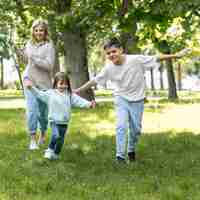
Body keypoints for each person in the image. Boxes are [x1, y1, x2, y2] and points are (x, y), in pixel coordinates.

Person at [74, 37, 190, 163]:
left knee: (136, 130)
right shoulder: (108, 68)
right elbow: (95, 80)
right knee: (121, 126)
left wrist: (176, 55)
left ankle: (131, 149)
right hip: (121, 98)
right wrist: (78, 90)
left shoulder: (135, 60)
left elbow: (156, 57)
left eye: (114, 51)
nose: (111, 55)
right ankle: (120, 156)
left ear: (121, 50)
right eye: (108, 53)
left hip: (138, 99)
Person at [24, 72, 96, 160]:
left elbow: (79, 101)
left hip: (64, 122)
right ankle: (49, 150)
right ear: (56, 84)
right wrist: (31, 88)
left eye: (66, 84)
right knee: (56, 136)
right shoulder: (50, 94)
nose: (63, 86)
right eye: (61, 83)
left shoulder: (69, 95)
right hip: (54, 120)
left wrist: (89, 104)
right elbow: (39, 94)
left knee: (61, 141)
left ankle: (56, 154)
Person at [22, 19, 55, 150]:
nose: (38, 32)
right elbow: (27, 61)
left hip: (44, 84)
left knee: (42, 113)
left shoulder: (49, 45)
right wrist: (22, 54)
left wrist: (34, 58)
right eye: (36, 30)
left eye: (41, 30)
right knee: (31, 111)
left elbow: (49, 65)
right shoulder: (29, 44)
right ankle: (32, 139)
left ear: (45, 31)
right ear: (33, 31)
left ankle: (43, 134)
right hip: (29, 80)